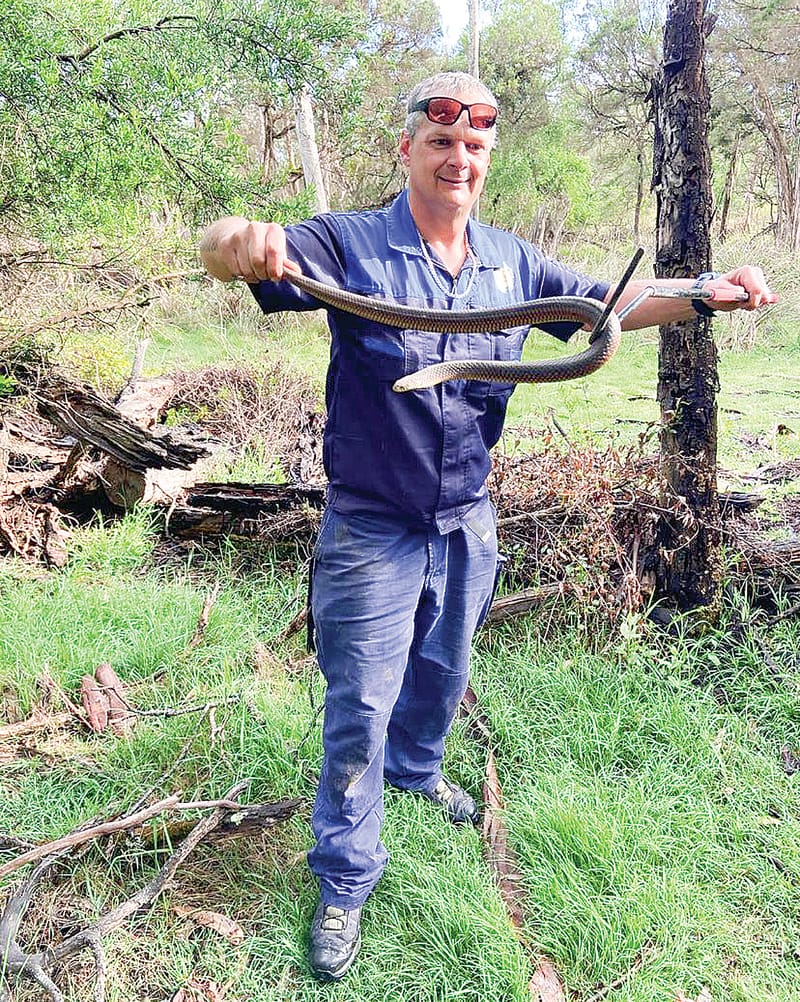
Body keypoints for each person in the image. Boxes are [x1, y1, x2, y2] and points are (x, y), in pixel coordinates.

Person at [200, 72, 776, 982]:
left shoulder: (512, 262)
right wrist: (238, 240)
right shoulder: (348, 244)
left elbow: (609, 304)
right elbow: (229, 251)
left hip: (468, 517)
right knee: (360, 706)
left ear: (488, 157)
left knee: (443, 668)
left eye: (473, 145)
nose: (457, 158)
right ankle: (345, 877)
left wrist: (707, 292)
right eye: (440, 142)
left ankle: (417, 771)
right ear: (408, 149)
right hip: (372, 525)